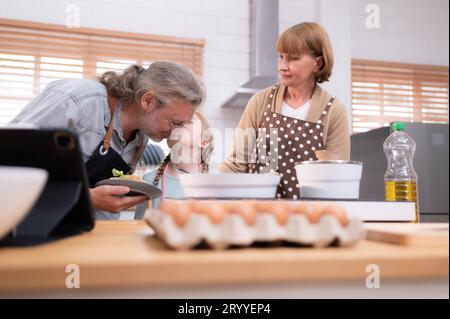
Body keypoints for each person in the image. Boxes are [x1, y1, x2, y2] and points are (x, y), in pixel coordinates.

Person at [10, 61, 205, 219]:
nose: (174, 133)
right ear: (148, 101)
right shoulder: (78, 100)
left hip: (79, 234)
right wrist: (87, 198)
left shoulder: (140, 138)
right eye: (175, 122)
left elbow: (102, 205)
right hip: (24, 226)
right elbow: (9, 166)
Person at [218, 22, 350, 199]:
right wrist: (209, 189)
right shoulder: (260, 101)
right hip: (258, 214)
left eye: (293, 59)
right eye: (281, 57)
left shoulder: (333, 111)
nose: (282, 66)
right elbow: (236, 164)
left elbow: (336, 179)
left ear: (317, 64)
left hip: (309, 218)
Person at [134, 111, 213, 219]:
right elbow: (139, 228)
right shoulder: (149, 181)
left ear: (203, 142)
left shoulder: (214, 182)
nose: (177, 124)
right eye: (175, 122)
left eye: (188, 120)